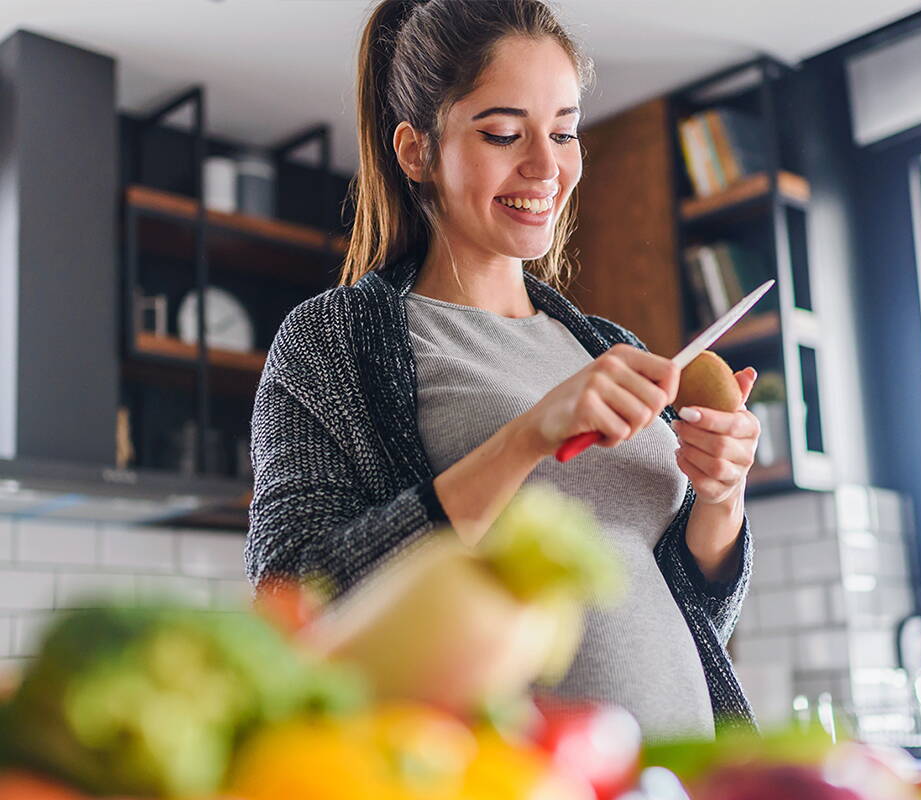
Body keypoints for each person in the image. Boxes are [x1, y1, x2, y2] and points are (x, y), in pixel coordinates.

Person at [246, 0, 763, 739]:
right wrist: (526, 438)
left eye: (563, 131)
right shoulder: (335, 341)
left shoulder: (603, 344)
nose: (546, 166)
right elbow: (294, 591)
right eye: (502, 133)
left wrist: (721, 494)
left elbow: (694, 607)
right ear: (416, 150)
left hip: (671, 775)